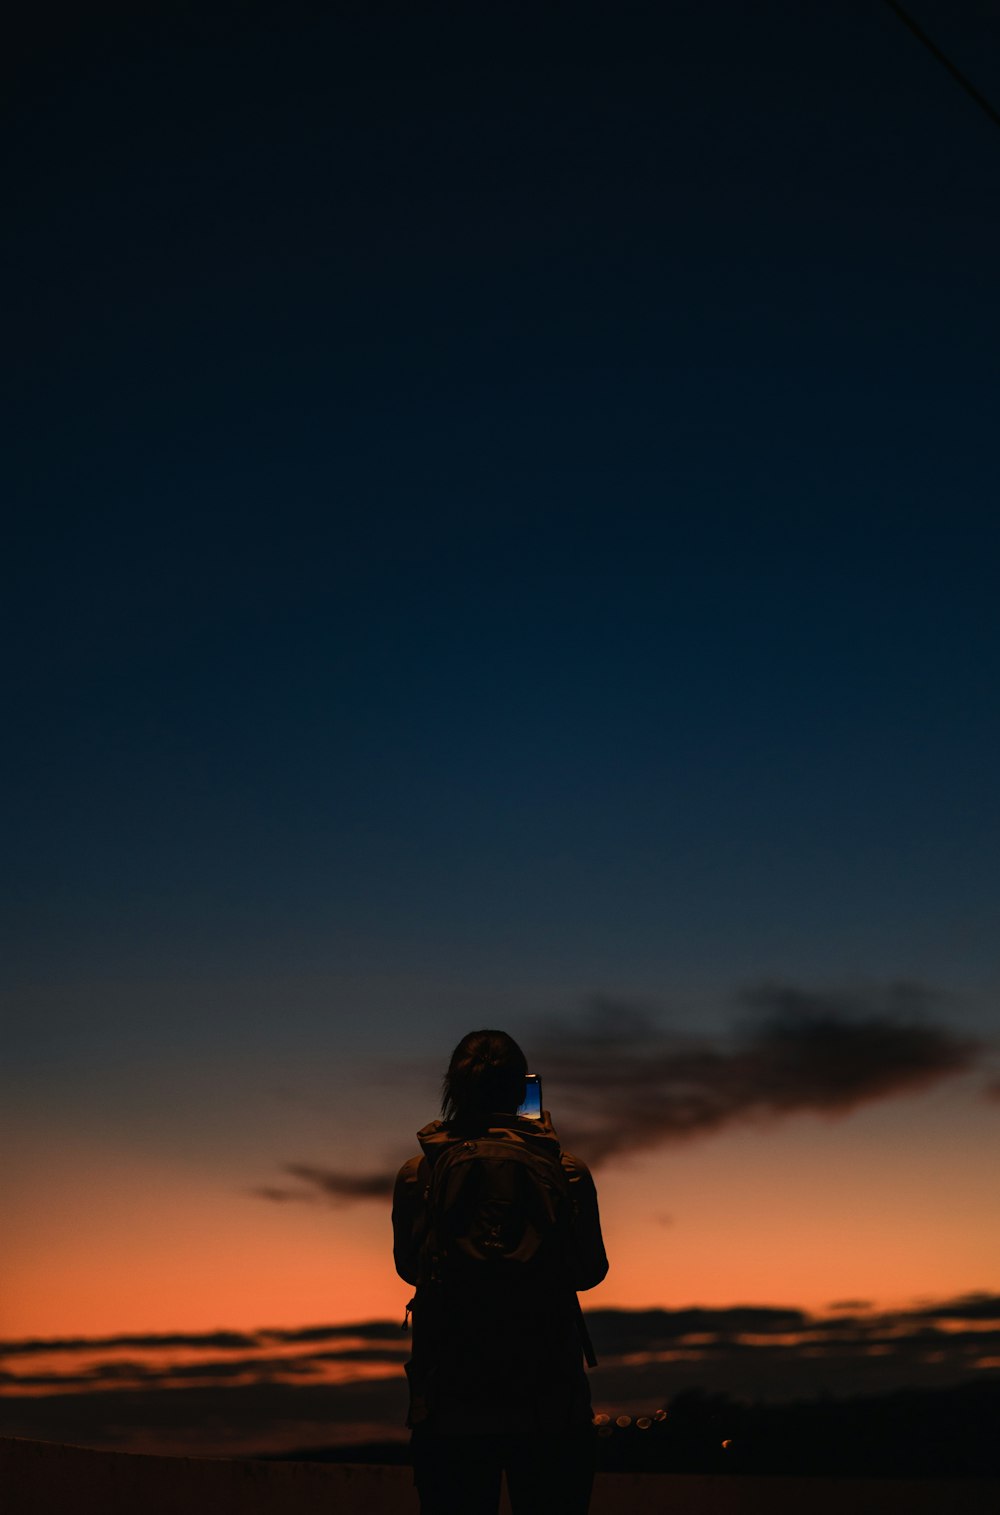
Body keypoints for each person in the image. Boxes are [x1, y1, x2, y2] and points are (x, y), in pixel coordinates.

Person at [392, 1028, 609, 1515]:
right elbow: (589, 1270)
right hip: (549, 1399)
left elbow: (411, 1268)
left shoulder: (419, 1174)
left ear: (454, 1090)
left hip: (452, 1399)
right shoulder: (566, 1170)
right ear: (521, 1091)